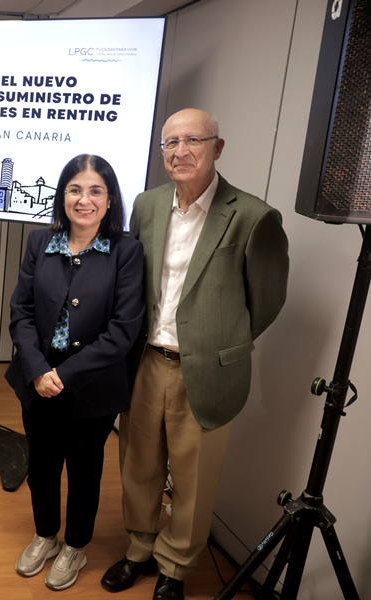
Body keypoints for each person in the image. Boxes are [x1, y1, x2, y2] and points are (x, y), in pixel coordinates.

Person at [100, 109, 289, 600]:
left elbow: (266, 301)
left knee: (193, 479)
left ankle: (175, 567)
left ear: (217, 148)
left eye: (194, 140)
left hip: (206, 371)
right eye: (171, 142)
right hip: (145, 361)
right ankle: (139, 550)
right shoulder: (147, 205)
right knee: (138, 465)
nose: (180, 151)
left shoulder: (253, 217)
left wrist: (216, 341)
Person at [5, 154, 145, 591]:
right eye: (75, 190)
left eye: (95, 191)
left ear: (110, 199)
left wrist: (63, 375)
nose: (84, 200)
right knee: (42, 464)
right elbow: (21, 311)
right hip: (37, 378)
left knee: (84, 471)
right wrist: (37, 370)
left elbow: (123, 329)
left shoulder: (126, 251)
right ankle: (45, 535)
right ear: (62, 196)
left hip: (92, 384)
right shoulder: (39, 242)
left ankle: (76, 545)